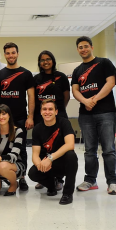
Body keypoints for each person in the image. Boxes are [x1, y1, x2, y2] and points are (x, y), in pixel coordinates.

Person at [71, 36, 116, 195]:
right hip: (86, 115)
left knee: (108, 149)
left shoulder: (104, 63)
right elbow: (75, 90)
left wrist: (95, 99)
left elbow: (111, 82)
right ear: (78, 50)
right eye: (80, 47)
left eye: (86, 46)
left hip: (105, 112)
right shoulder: (77, 70)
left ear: (92, 47)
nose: (83, 49)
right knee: (89, 150)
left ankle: (112, 182)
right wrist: (86, 101)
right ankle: (90, 180)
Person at [0, 42, 35, 191]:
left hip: (21, 117)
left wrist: (30, 116)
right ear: (5, 55)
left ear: (17, 53)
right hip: (2, 118)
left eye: (13, 52)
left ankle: (21, 178)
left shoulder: (26, 74)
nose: (11, 55)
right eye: (8, 53)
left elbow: (31, 96)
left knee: (21, 149)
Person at [28, 99, 79, 205]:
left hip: (62, 163)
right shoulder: (37, 128)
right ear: (41, 112)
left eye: (50, 109)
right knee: (32, 173)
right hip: (47, 166)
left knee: (71, 156)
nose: (47, 112)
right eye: (44, 109)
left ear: (56, 111)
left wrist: (50, 158)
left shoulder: (64, 123)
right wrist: (40, 165)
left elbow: (70, 144)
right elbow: (35, 154)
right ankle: (52, 186)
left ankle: (67, 194)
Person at [33, 50, 70, 191]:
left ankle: (59, 178)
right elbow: (33, 98)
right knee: (43, 146)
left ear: (53, 61)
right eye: (42, 60)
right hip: (41, 117)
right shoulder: (36, 78)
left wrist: (56, 112)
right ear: (39, 63)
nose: (45, 62)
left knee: (58, 146)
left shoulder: (61, 77)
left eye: (48, 59)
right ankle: (44, 176)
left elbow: (66, 96)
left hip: (58, 116)